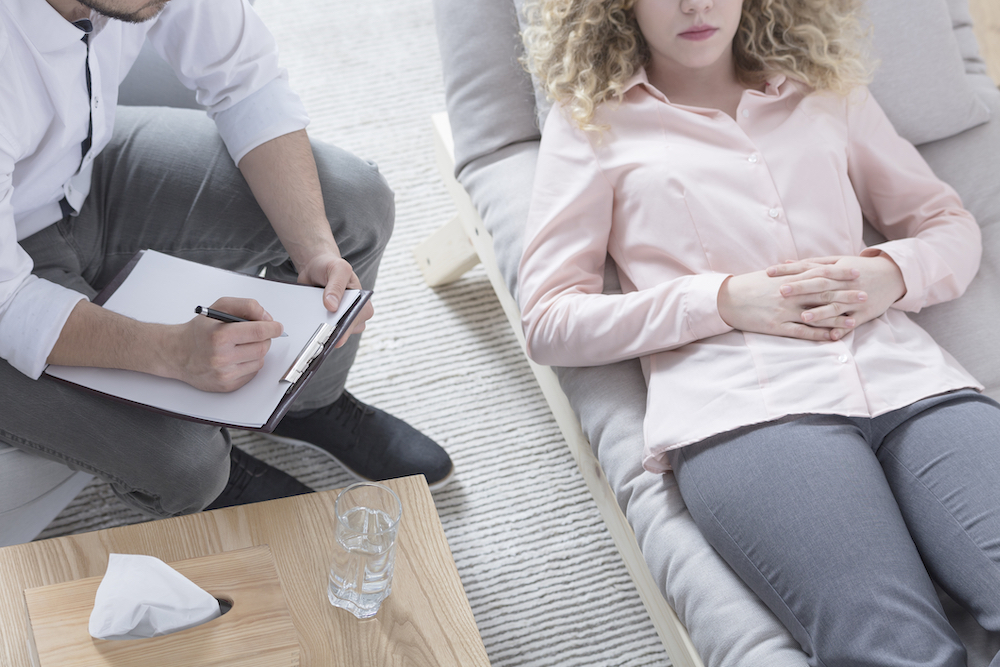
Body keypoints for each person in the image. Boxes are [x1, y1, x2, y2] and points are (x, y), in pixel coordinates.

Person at [518, 0, 1000, 664]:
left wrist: (892, 272)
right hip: (749, 412)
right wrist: (721, 300)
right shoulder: (593, 125)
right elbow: (548, 319)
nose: (696, 5)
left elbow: (944, 220)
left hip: (913, 382)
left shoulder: (825, 91)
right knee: (896, 647)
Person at [0, 0, 454, 519]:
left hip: (78, 173)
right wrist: (171, 352)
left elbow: (246, 80)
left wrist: (315, 249)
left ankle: (306, 405)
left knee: (353, 205)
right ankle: (217, 480)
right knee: (188, 463)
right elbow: (8, 304)